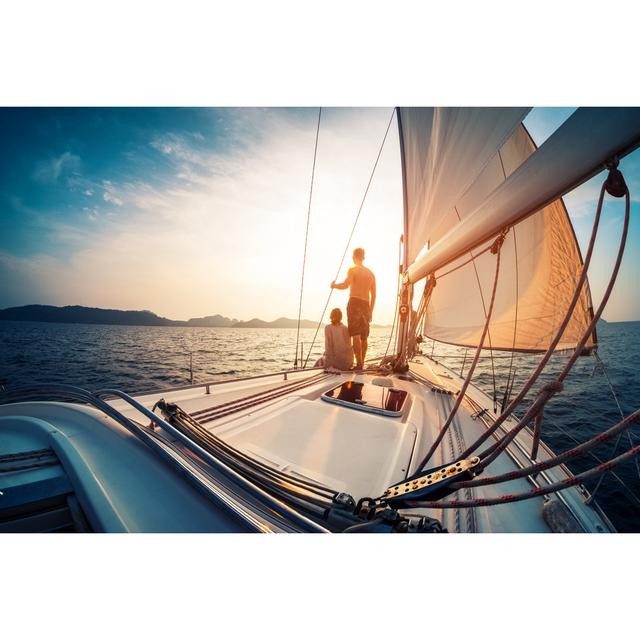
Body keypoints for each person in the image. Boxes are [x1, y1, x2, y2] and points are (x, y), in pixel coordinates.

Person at [330, 247, 376, 370]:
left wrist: (334, 285)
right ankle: (362, 362)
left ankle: (359, 363)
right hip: (366, 305)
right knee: (364, 336)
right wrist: (371, 310)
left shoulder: (352, 270)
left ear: (354, 257)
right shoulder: (371, 274)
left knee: (355, 334)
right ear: (364, 257)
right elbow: (374, 295)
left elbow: (345, 285)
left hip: (355, 302)